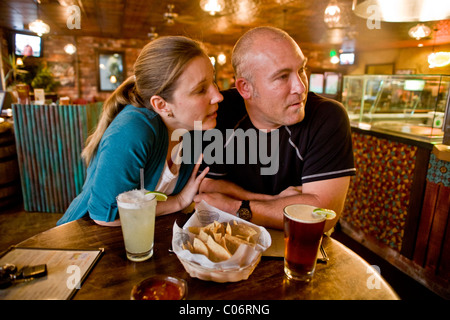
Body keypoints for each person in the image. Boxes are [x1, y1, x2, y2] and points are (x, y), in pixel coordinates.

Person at [195, 27, 355, 232]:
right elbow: (207, 185)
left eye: (302, 70)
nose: (300, 87)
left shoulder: (327, 116)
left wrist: (236, 207)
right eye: (282, 77)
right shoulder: (219, 111)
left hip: (297, 245)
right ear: (245, 88)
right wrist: (273, 201)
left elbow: (321, 214)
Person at [57, 36, 223, 226]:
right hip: (83, 241)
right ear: (161, 104)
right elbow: (105, 215)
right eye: (201, 89)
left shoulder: (191, 126)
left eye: (213, 82)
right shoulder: (133, 130)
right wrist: (178, 202)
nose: (218, 96)